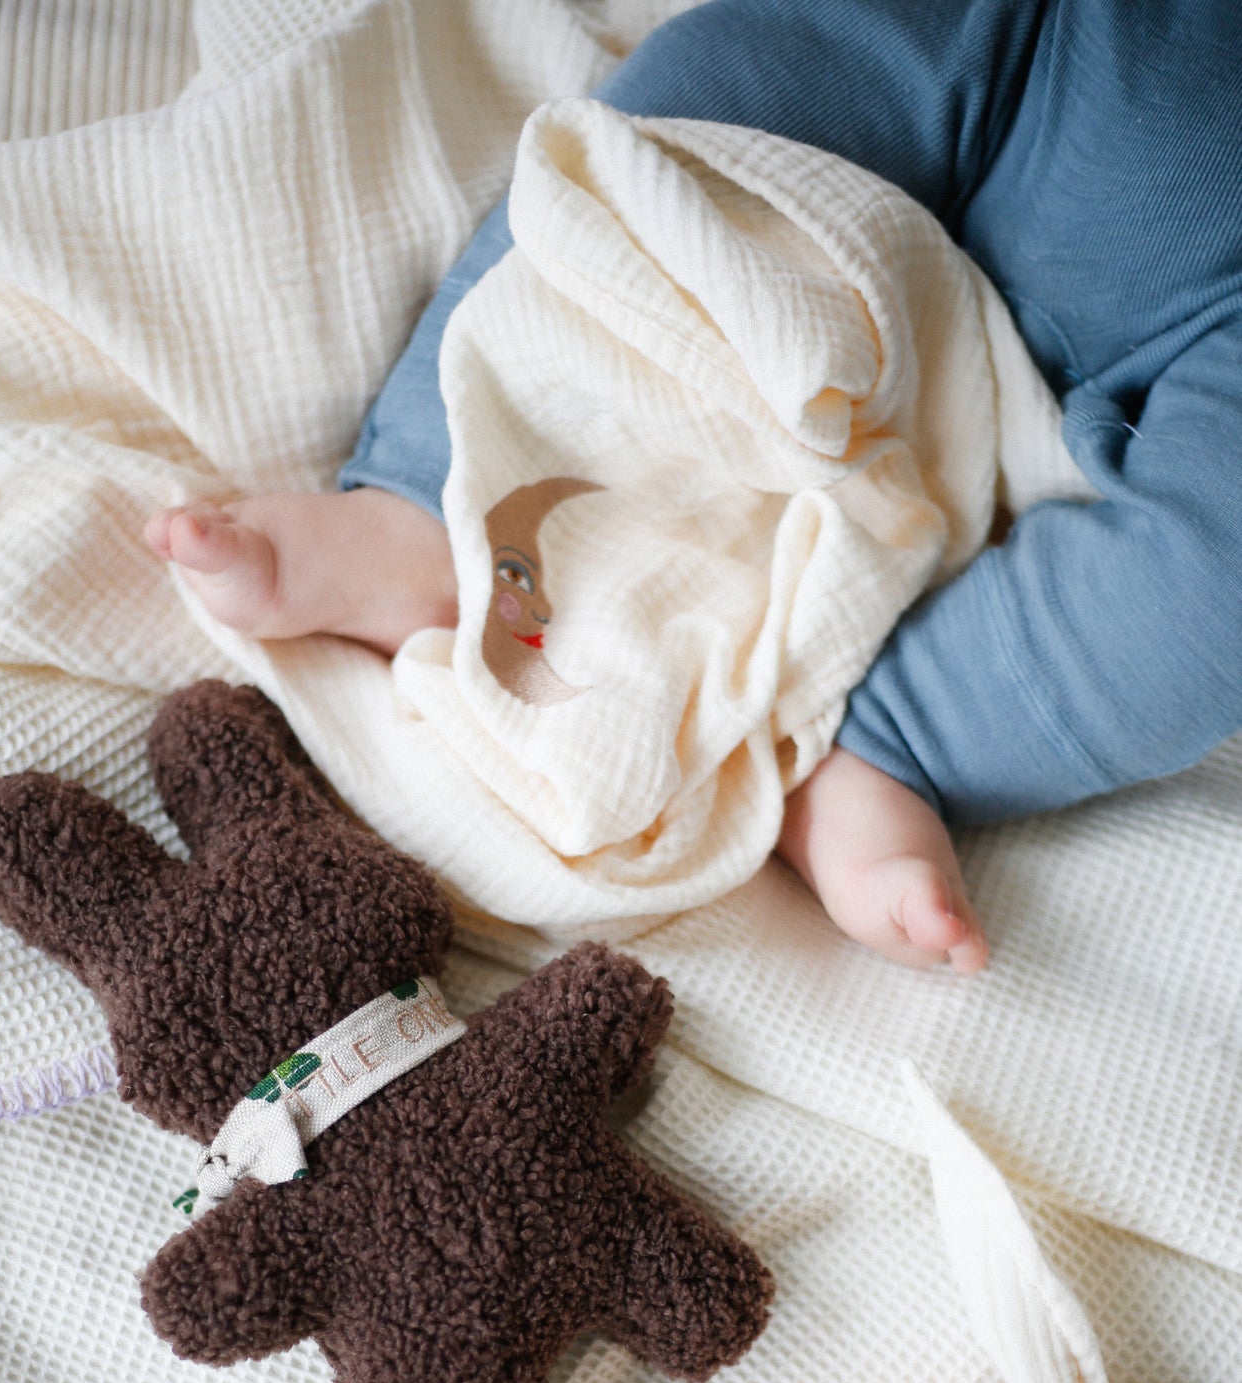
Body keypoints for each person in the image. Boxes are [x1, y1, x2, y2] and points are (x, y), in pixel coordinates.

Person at [145, 0, 1242, 973]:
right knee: (686, 112)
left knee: (1212, 599)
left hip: (1210, 334)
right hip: (1050, 47)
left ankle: (868, 735)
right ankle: (435, 497)